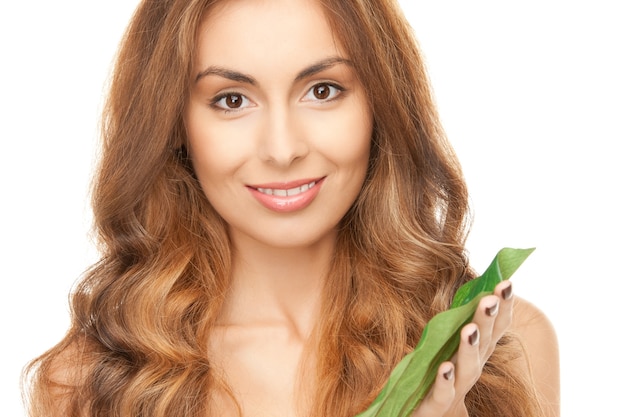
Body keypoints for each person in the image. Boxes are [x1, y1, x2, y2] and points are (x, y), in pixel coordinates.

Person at [23, 0, 559, 416]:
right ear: (175, 126)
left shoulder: (508, 350)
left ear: (380, 105)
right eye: (232, 100)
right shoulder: (88, 380)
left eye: (323, 90)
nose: (282, 149)